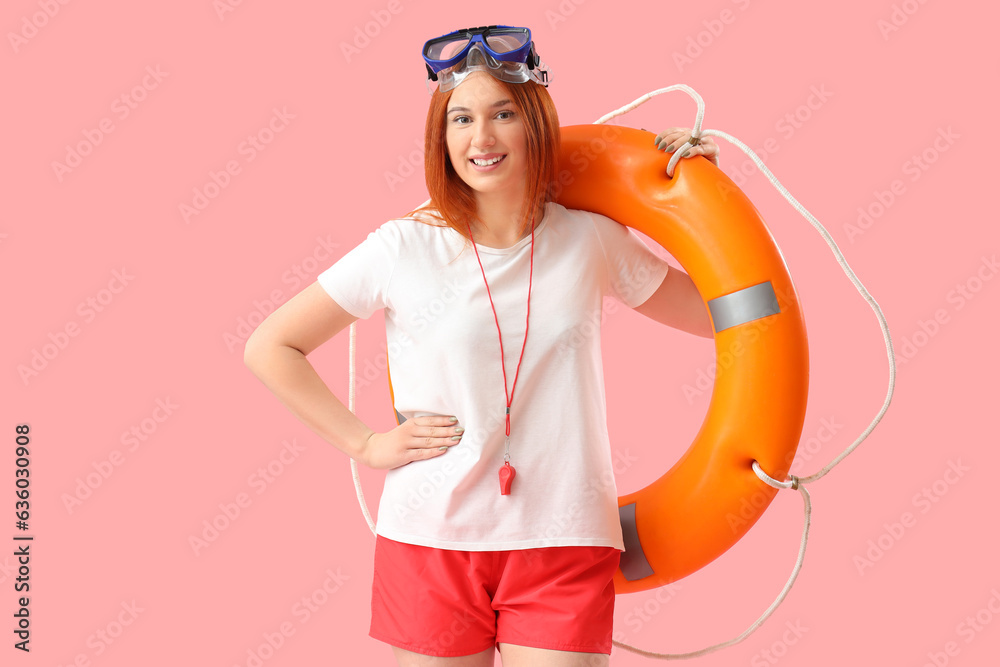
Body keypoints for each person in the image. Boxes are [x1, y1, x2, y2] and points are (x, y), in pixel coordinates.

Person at [244, 24, 718, 667]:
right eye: (461, 119)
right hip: (429, 539)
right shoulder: (403, 247)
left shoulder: (588, 241)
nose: (481, 138)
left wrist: (702, 201)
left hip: (562, 538)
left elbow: (721, 316)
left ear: (535, 122)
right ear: (441, 137)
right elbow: (271, 346)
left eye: (502, 114)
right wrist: (364, 443)